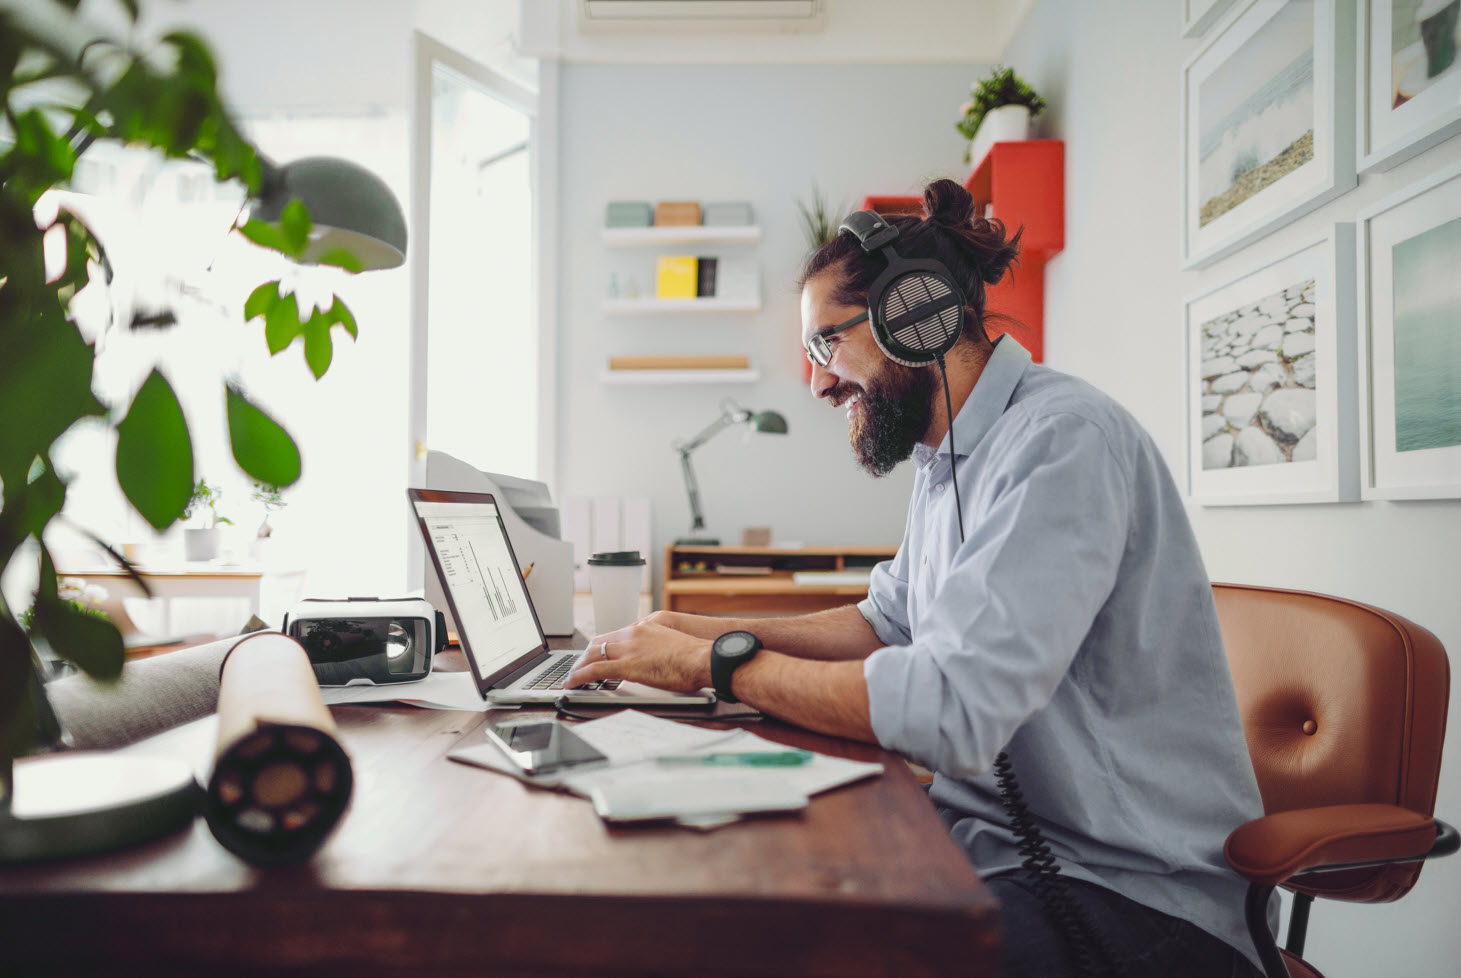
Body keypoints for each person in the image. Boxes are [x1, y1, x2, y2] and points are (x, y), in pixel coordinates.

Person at [566, 178, 1266, 978]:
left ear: (913, 315)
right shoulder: (948, 458)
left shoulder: (1061, 442)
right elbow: (885, 623)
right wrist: (687, 632)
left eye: (825, 345)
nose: (817, 383)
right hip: (994, 850)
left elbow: (949, 711)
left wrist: (716, 664)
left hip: (1130, 894)